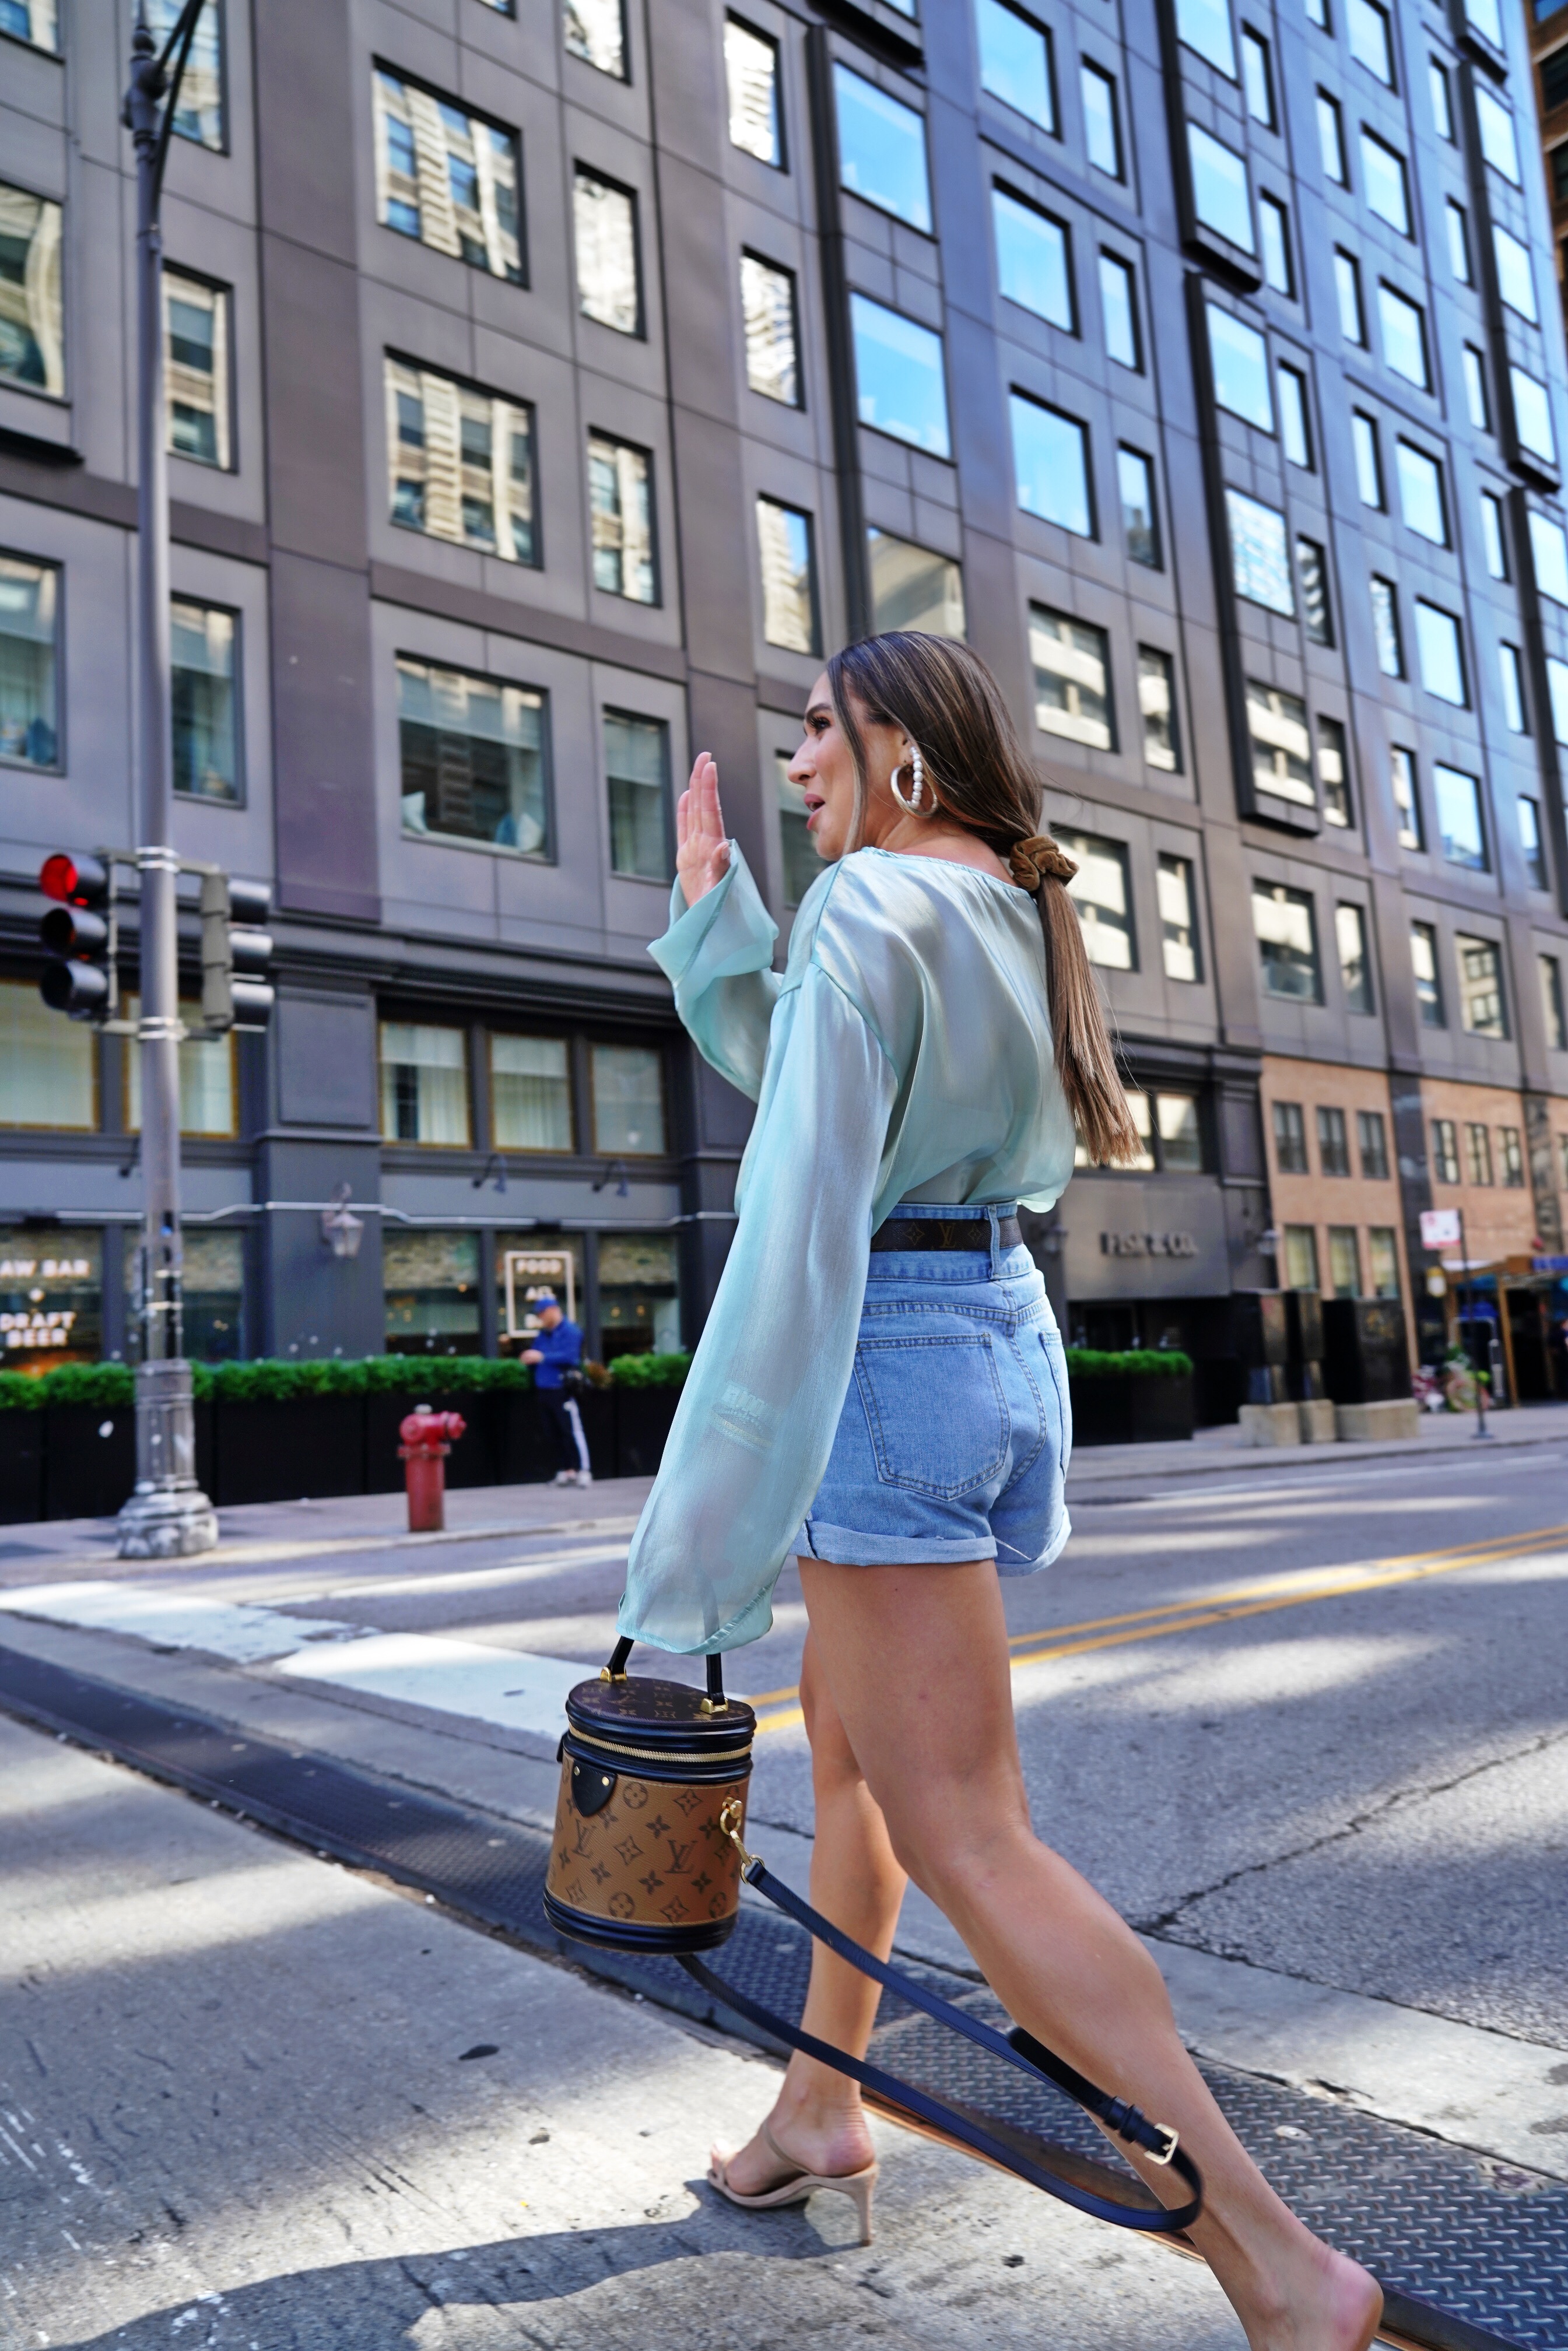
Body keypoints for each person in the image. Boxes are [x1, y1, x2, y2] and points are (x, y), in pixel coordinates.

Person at [616, 634, 1383, 2351]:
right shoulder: (998, 905)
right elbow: (850, 1098)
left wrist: (696, 1533)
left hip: (877, 1349)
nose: (796, 758)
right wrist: (718, 918)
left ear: (895, 747)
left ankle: (1271, 2254)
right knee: (852, 1752)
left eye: (817, 729)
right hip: (976, 1330)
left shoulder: (865, 912)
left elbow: (803, 1206)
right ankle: (820, 2105)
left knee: (962, 1818)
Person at [522, 1293, 591, 1487]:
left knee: (572, 1430)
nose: (541, 1318)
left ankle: (583, 1470)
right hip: (544, 1389)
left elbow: (571, 1357)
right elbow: (538, 1356)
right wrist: (531, 1359)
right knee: (553, 1432)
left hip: (563, 1389)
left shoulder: (571, 1331)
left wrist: (541, 1357)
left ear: (553, 1310)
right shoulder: (543, 1335)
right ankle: (567, 1470)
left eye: (543, 1313)